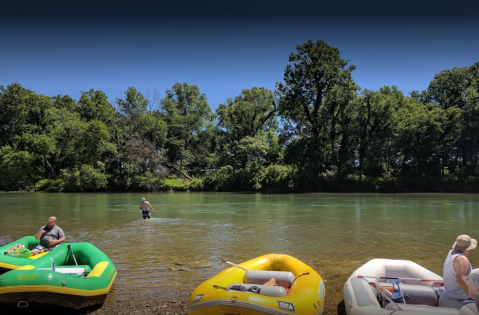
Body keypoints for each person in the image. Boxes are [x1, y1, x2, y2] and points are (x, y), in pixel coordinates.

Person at [439, 234, 479, 314]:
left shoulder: (451, 252)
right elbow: (460, 280)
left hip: (450, 291)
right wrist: (473, 296)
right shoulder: (462, 260)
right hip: (460, 294)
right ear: (468, 248)